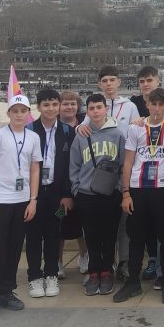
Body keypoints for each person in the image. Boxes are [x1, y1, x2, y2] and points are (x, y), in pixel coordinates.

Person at [0, 94, 42, 320]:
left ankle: (5, 291)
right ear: (9, 113)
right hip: (0, 199)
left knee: (14, 248)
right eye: (15, 111)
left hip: (22, 200)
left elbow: (35, 169)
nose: (19, 115)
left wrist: (33, 199)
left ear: (28, 113)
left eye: (23, 111)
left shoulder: (33, 137)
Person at [114, 87, 164, 304]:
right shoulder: (136, 128)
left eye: (162, 105)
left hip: (163, 189)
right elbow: (128, 162)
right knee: (136, 237)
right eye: (154, 104)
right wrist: (126, 192)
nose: (157, 109)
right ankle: (133, 281)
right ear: (147, 105)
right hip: (138, 188)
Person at [70, 93, 125, 297]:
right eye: (91, 108)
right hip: (86, 194)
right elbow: (74, 165)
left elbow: (123, 164)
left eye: (99, 107)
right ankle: (94, 272)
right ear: (87, 111)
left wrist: (119, 188)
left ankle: (107, 271)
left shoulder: (117, 134)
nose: (95, 111)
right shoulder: (81, 134)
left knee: (109, 235)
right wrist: (76, 189)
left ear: (106, 109)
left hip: (111, 193)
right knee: (91, 236)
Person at [25, 88, 74, 299]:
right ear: (38, 107)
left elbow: (72, 164)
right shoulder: (29, 129)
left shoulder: (67, 131)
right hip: (33, 193)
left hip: (57, 193)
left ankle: (51, 273)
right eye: (46, 105)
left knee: (55, 233)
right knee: (33, 234)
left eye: (55, 104)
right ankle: (35, 276)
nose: (51, 108)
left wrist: (67, 194)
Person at [129, 65, 164, 281]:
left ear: (158, 81)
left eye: (149, 80)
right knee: (143, 225)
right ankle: (151, 258)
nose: (145, 84)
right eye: (142, 81)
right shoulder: (132, 104)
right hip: (140, 175)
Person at [57, 91, 88, 278]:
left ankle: (84, 256)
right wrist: (65, 192)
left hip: (82, 185)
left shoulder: (85, 124)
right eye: (65, 104)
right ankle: (58, 260)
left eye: (73, 104)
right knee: (59, 223)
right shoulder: (54, 127)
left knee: (82, 224)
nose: (69, 107)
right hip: (59, 188)